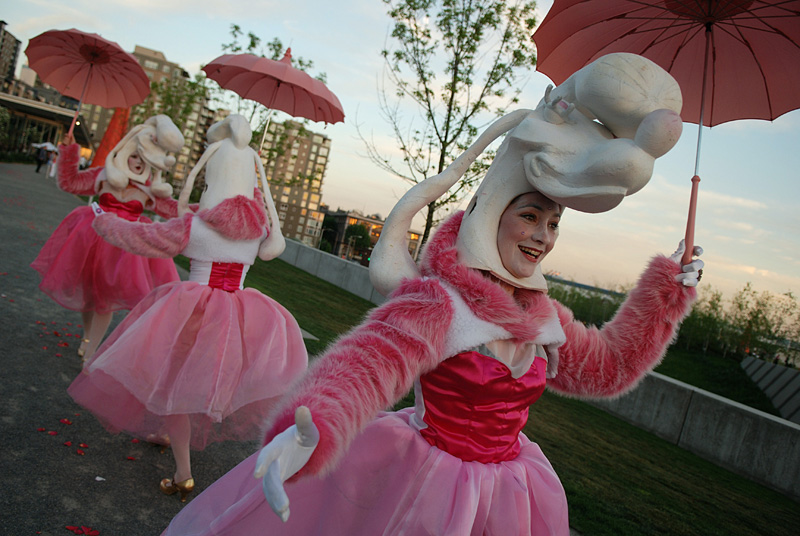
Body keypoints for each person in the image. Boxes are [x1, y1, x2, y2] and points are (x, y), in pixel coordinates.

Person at [161, 53, 702, 535]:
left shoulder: (544, 317)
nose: (542, 235)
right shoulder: (441, 303)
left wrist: (666, 293)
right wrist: (311, 428)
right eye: (530, 216)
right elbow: (366, 366)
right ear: (495, 213)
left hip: (511, 498)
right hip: (425, 489)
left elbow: (607, 368)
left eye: (553, 223)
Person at [68, 114, 309, 503]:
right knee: (195, 382)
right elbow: (266, 239)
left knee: (173, 383)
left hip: (191, 309)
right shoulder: (259, 232)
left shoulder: (193, 226)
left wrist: (103, 220)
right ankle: (166, 436)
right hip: (236, 313)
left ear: (212, 173)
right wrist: (255, 187)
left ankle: (183, 474)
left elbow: (141, 237)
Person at [31, 116, 186, 361]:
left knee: (105, 302)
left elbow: (180, 211)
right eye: (135, 155)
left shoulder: (150, 191)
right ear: (126, 152)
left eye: (143, 158)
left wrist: (215, 208)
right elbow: (69, 182)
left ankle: (90, 354)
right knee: (90, 299)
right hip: (93, 243)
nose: (138, 162)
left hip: (125, 252)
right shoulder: (104, 176)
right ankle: (87, 338)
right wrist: (70, 150)